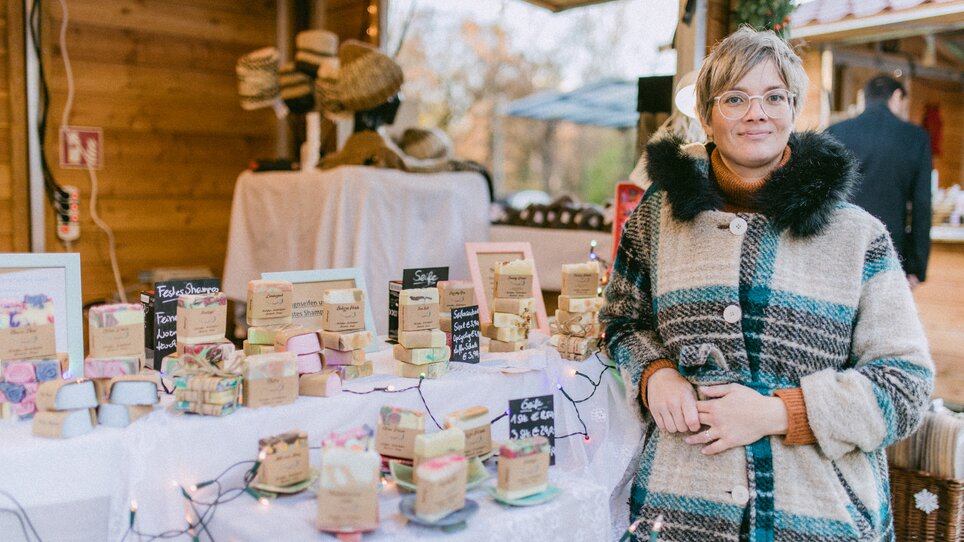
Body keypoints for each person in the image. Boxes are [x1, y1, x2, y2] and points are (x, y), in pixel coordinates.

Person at [600, 27, 933, 541]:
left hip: (820, 512)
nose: (757, 113)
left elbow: (906, 384)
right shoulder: (656, 219)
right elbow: (622, 319)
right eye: (735, 98)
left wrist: (780, 412)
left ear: (793, 108)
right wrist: (654, 373)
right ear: (707, 116)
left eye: (774, 96)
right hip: (681, 511)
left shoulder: (858, 237)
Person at [826, 76, 933, 287]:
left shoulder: (836, 132)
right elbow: (922, 205)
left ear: (865, 98)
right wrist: (916, 267)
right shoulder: (915, 138)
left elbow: (822, 196)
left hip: (840, 249)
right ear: (896, 97)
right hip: (891, 252)